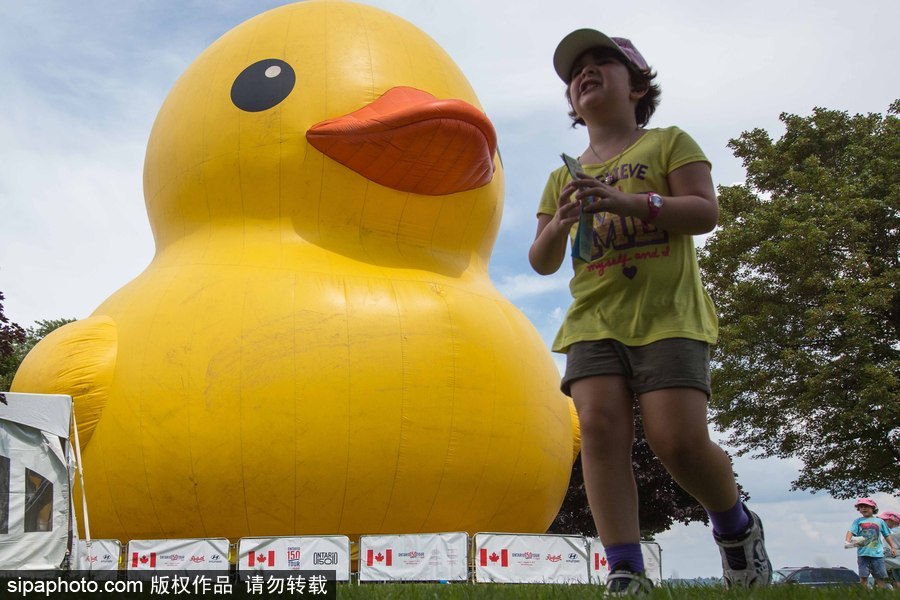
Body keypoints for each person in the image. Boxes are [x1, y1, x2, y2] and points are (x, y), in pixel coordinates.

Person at [529, 29, 771, 594]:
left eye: (601, 63)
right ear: (570, 101)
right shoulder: (561, 177)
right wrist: (562, 221)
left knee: (676, 440)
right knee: (599, 429)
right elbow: (541, 262)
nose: (585, 73)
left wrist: (629, 202)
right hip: (593, 318)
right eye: (575, 71)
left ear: (637, 84)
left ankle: (736, 528)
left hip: (668, 315)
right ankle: (625, 570)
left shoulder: (667, 143)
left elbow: (704, 211)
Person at [846, 498, 896, 589]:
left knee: (879, 577)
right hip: (863, 554)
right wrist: (847, 541)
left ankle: (881, 594)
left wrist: (893, 547)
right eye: (861, 507)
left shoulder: (879, 521)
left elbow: (887, 535)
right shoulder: (858, 521)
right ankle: (863, 594)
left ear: (873, 508)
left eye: (866, 506)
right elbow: (850, 531)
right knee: (863, 577)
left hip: (878, 555)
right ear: (859, 510)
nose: (864, 508)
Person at [878, 510, 900, 584]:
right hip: (895, 559)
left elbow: (887, 549)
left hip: (895, 558)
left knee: (898, 579)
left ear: (892, 520)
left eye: (884, 520)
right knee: (897, 578)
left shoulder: (893, 533)